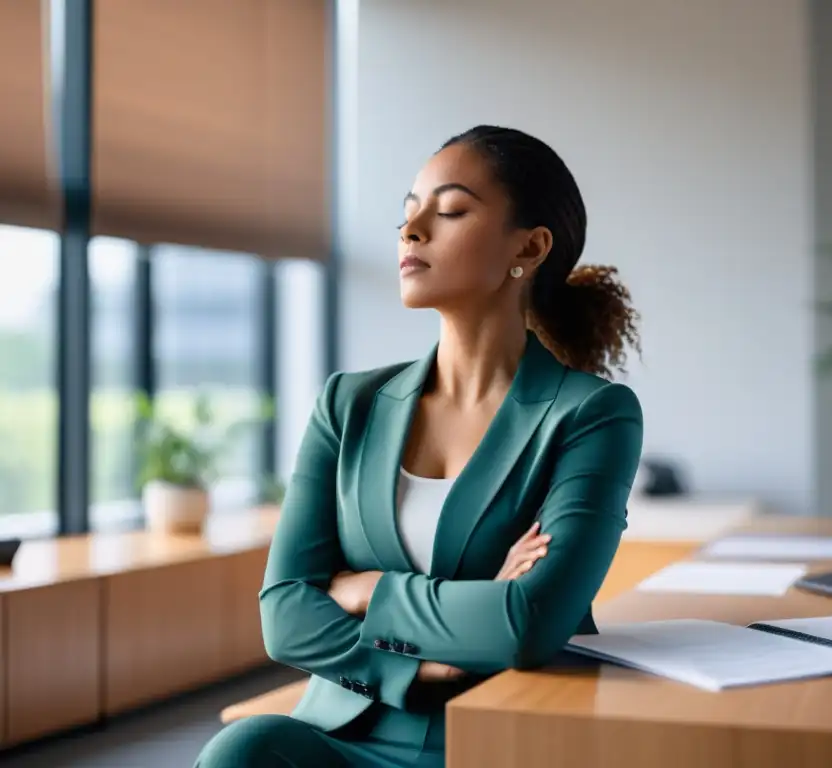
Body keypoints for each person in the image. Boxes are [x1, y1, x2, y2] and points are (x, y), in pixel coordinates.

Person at [195, 125, 644, 767]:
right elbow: (285, 613)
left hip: (493, 737)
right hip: (344, 734)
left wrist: (364, 587)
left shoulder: (591, 415)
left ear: (531, 246)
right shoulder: (347, 404)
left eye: (451, 210)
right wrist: (424, 665)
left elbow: (527, 622)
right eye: (408, 213)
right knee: (240, 749)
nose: (412, 231)